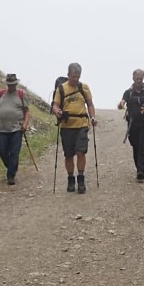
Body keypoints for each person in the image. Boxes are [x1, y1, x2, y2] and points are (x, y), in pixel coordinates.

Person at [51, 62, 97, 194]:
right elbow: (55, 105)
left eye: (78, 76)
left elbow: (90, 104)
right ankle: (70, 179)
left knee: (81, 152)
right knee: (69, 154)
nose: (76, 79)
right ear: (68, 75)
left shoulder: (84, 87)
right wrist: (57, 111)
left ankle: (81, 179)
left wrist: (93, 117)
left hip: (82, 124)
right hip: (67, 126)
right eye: (73, 76)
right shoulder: (61, 89)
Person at [0, 73, 30, 185]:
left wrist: (25, 124)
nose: (11, 86)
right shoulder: (1, 94)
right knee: (2, 150)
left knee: (14, 152)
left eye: (13, 84)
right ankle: (12, 166)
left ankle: (11, 175)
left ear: (16, 84)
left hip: (17, 128)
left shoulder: (21, 94)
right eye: (9, 84)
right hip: (3, 129)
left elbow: (27, 111)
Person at [117, 69, 144, 181]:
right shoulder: (128, 92)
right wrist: (120, 105)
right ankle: (139, 167)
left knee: (142, 146)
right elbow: (122, 102)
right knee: (135, 145)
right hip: (132, 123)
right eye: (137, 78)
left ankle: (141, 170)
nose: (139, 81)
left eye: (141, 78)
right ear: (133, 78)